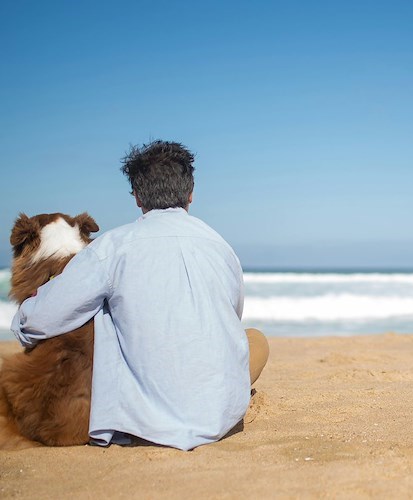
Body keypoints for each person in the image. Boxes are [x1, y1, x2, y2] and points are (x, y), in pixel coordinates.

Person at [11, 140, 269, 451]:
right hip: (218, 416)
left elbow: (41, 319)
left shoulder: (112, 248)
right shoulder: (222, 248)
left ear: (136, 196)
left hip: (145, 423)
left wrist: (26, 314)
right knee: (255, 340)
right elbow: (230, 316)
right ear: (191, 193)